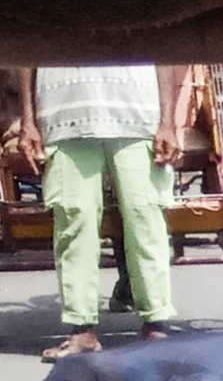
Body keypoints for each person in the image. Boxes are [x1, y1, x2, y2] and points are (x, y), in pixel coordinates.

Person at [11, 61, 181, 355]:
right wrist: (28, 121)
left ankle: (156, 324)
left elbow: (160, 50)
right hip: (64, 119)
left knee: (145, 218)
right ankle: (82, 329)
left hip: (137, 115)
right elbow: (30, 53)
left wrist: (167, 121)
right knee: (74, 221)